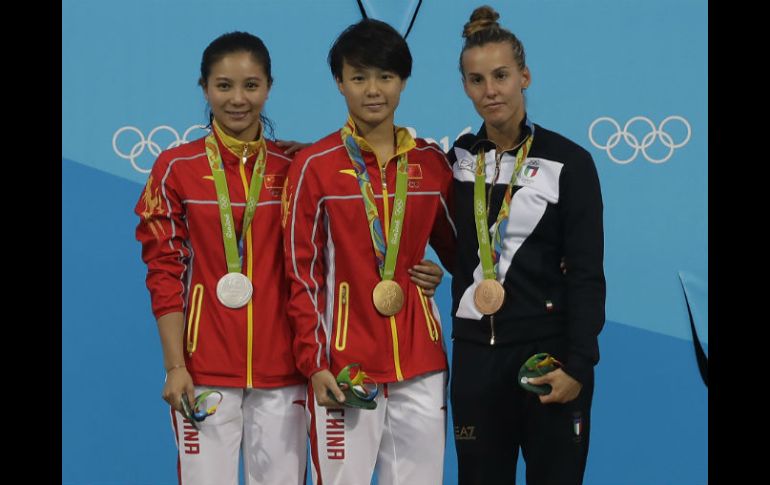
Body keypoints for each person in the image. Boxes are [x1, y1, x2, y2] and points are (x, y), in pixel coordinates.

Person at [281, 19, 455, 485]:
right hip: (346, 363)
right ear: (339, 83)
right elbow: (300, 276)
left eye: (385, 77)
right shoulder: (314, 167)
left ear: (403, 82)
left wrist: (439, 271)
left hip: (421, 362)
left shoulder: (431, 165)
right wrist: (315, 362)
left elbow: (468, 256)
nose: (372, 90)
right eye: (358, 78)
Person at [447, 6, 606, 485]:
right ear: (465, 86)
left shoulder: (569, 161)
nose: (489, 91)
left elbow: (586, 273)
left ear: (525, 76)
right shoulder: (456, 162)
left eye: (500, 76)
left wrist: (577, 365)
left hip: (548, 356)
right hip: (477, 359)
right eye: (476, 80)